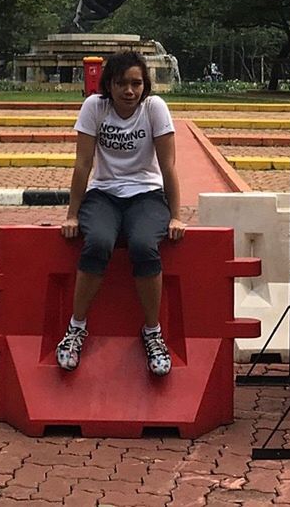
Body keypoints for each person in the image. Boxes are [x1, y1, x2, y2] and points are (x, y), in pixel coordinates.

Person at [57, 51, 185, 375]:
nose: (129, 91)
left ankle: (153, 333)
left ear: (145, 85)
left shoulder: (154, 108)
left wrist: (176, 214)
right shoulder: (94, 108)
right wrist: (72, 214)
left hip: (147, 195)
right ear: (109, 85)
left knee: (144, 244)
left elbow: (167, 165)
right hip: (104, 194)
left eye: (136, 83)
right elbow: (83, 164)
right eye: (121, 83)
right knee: (98, 241)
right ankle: (75, 329)